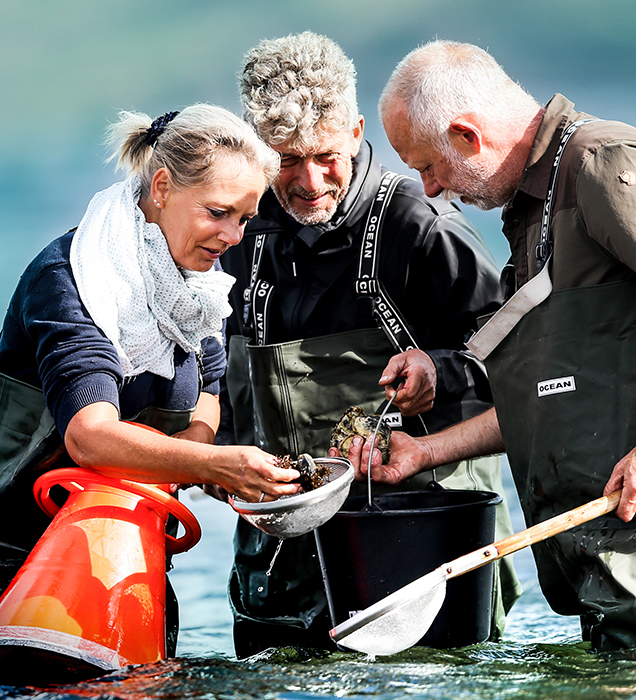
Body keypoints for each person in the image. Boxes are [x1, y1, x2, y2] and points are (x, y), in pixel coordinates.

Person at [371, 40, 636, 650]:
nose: (430, 190)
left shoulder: (600, 160)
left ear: (465, 136)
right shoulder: (529, 212)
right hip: (610, 536)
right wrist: (424, 453)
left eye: (428, 165)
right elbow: (552, 397)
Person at [0, 104, 290, 684]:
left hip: (121, 551)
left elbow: (209, 389)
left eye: (245, 218)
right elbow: (88, 436)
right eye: (218, 213)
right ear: (162, 187)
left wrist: (196, 462)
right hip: (1, 558)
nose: (232, 237)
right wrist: (213, 461)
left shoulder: (199, 287)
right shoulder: (71, 278)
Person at [217, 32, 521, 656]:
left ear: (357, 132)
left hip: (420, 544)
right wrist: (215, 460)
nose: (309, 181)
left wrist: (441, 371)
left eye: (326, 154)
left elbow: (522, 367)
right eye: (286, 159)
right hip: (279, 561)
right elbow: (211, 373)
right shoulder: (236, 233)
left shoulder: (421, 226)